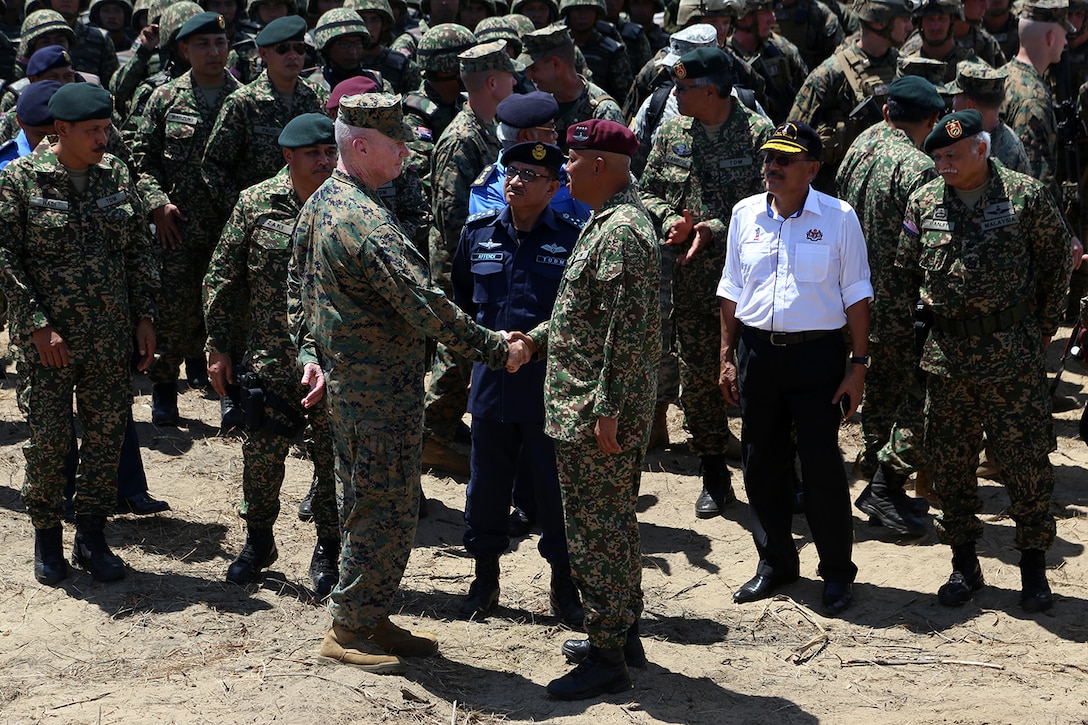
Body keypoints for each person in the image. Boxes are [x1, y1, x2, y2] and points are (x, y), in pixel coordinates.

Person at [291, 92, 527, 673]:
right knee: (382, 507)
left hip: (359, 387)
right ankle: (349, 627)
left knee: (372, 501)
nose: (408, 153)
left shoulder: (325, 201)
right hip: (376, 394)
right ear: (362, 145)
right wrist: (495, 349)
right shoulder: (364, 222)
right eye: (398, 144)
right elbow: (426, 304)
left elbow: (298, 287)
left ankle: (368, 615)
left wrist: (310, 354)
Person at [896, 109, 1071, 612]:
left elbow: (1057, 260)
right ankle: (963, 564)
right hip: (947, 360)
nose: (943, 164)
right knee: (951, 466)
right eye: (937, 156)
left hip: (1011, 360)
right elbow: (905, 268)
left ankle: (1034, 568)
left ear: (981, 149)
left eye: (953, 154)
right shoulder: (924, 200)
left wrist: (1041, 329)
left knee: (1025, 466)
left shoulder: (1024, 196)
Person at [513, 119, 659, 700]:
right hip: (590, 403)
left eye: (572, 160)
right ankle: (621, 634)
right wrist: (536, 339)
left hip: (595, 412)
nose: (564, 169)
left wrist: (609, 410)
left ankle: (605, 657)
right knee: (614, 523)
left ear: (600, 164)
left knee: (595, 529)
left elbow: (630, 334)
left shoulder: (621, 231)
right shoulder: (608, 223)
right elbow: (585, 317)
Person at [0, 83, 159, 585]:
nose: (103, 139)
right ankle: (47, 539)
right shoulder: (21, 181)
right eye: (92, 131)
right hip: (50, 342)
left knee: (106, 439)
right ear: (60, 130)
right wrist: (37, 325)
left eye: (106, 128)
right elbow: (6, 259)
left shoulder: (116, 175)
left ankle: (92, 537)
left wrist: (145, 317)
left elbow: (137, 250)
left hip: (110, 337)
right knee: (48, 443)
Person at [718, 120, 872, 616]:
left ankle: (837, 575)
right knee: (761, 462)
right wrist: (726, 356)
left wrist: (859, 366)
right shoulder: (744, 214)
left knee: (822, 467)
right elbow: (732, 290)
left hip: (817, 357)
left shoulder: (838, 216)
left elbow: (857, 293)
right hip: (758, 355)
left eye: (785, 159)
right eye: (769, 158)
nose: (773, 167)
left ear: (812, 167)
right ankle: (776, 562)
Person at [203, 113, 341, 596]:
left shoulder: (349, 202)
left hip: (331, 360)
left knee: (331, 460)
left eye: (330, 152)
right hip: (269, 358)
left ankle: (328, 550)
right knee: (261, 459)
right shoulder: (256, 203)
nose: (324, 162)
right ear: (288, 156)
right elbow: (222, 277)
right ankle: (258, 541)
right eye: (313, 154)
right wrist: (218, 347)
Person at [451, 140, 585, 628]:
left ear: (554, 187)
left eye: (531, 174)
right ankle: (485, 578)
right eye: (512, 171)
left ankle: (563, 584)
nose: (516, 181)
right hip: (490, 385)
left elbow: (576, 316)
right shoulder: (478, 233)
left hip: (548, 387)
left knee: (552, 489)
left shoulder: (573, 238)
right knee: (485, 485)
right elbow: (463, 302)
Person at [639, 47, 773, 519]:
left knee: (762, 374)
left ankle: (778, 467)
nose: (674, 95)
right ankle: (713, 471)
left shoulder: (759, 135)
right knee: (699, 377)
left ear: (712, 91)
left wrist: (710, 228)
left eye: (683, 88)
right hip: (694, 284)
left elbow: (773, 203)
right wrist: (669, 219)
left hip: (754, 283)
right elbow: (648, 188)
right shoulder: (673, 131)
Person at [835, 75, 944, 537]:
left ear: (887, 112)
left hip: (848, 295)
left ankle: (882, 486)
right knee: (904, 396)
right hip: (897, 302)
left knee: (871, 385)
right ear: (932, 121)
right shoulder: (919, 168)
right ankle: (884, 488)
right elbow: (927, 244)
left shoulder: (861, 144)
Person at [130, 11, 242, 426]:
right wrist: (156, 205)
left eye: (220, 43)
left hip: (229, 228)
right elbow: (142, 162)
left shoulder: (244, 99)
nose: (214, 52)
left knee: (227, 310)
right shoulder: (164, 99)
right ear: (184, 50)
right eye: (203, 45)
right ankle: (164, 388)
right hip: (176, 228)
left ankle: (229, 391)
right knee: (171, 310)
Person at [422, 39, 517, 474]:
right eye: (511, 76)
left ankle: (442, 427)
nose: (518, 82)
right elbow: (451, 219)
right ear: (494, 82)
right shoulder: (461, 139)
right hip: (459, 268)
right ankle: (431, 436)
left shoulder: (489, 129)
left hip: (486, 262)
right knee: (457, 352)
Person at [789, 0, 917, 191]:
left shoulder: (902, 67)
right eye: (903, 19)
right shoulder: (831, 73)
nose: (910, 26)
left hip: (891, 185)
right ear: (880, 23)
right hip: (838, 190)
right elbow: (791, 136)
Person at [518, 25, 624, 145]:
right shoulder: (539, 107)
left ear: (555, 64)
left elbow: (615, 162)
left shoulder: (603, 112)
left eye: (534, 69)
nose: (529, 77)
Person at [948, 60, 1030, 174]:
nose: (953, 102)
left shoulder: (1005, 155)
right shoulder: (962, 136)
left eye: (956, 96)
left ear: (969, 105)